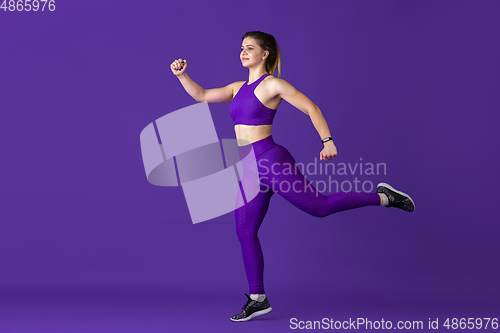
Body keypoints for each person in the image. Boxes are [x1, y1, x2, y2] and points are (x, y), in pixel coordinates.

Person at [170, 31, 415, 322]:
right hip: (248, 168)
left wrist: (327, 141)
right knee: (244, 231)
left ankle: (385, 196)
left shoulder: (272, 84)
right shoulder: (237, 88)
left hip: (271, 161)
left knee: (320, 208)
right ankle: (257, 298)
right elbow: (202, 95)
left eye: (250, 48)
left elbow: (311, 107)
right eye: (242, 48)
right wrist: (183, 76)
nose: (244, 52)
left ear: (265, 54)